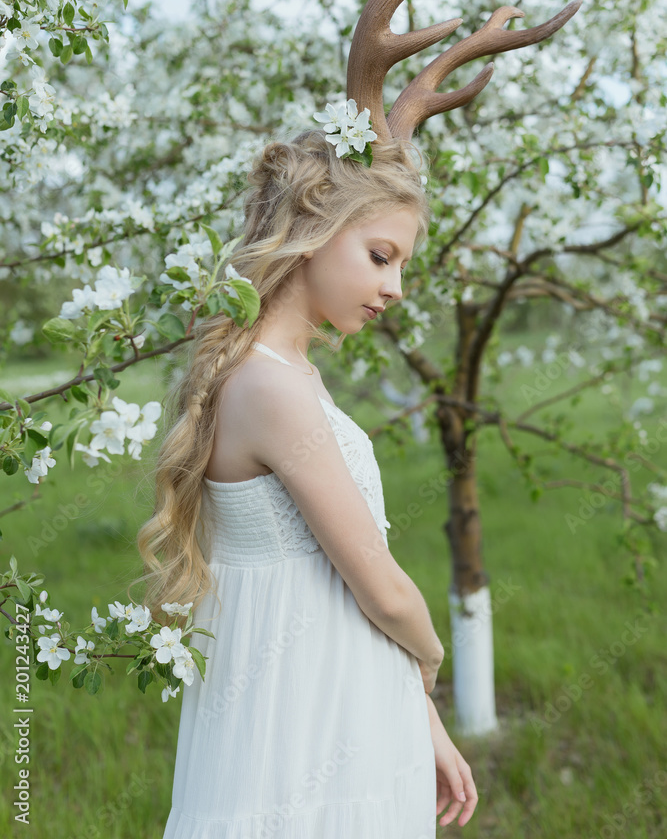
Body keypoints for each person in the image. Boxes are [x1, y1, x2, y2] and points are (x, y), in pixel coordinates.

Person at [136, 122, 478, 837]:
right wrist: (431, 653)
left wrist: (421, 719)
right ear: (312, 230)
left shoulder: (289, 374)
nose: (395, 288)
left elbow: (340, 579)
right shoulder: (272, 387)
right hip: (299, 720)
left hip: (341, 697)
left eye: (402, 264)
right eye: (380, 256)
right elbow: (380, 588)